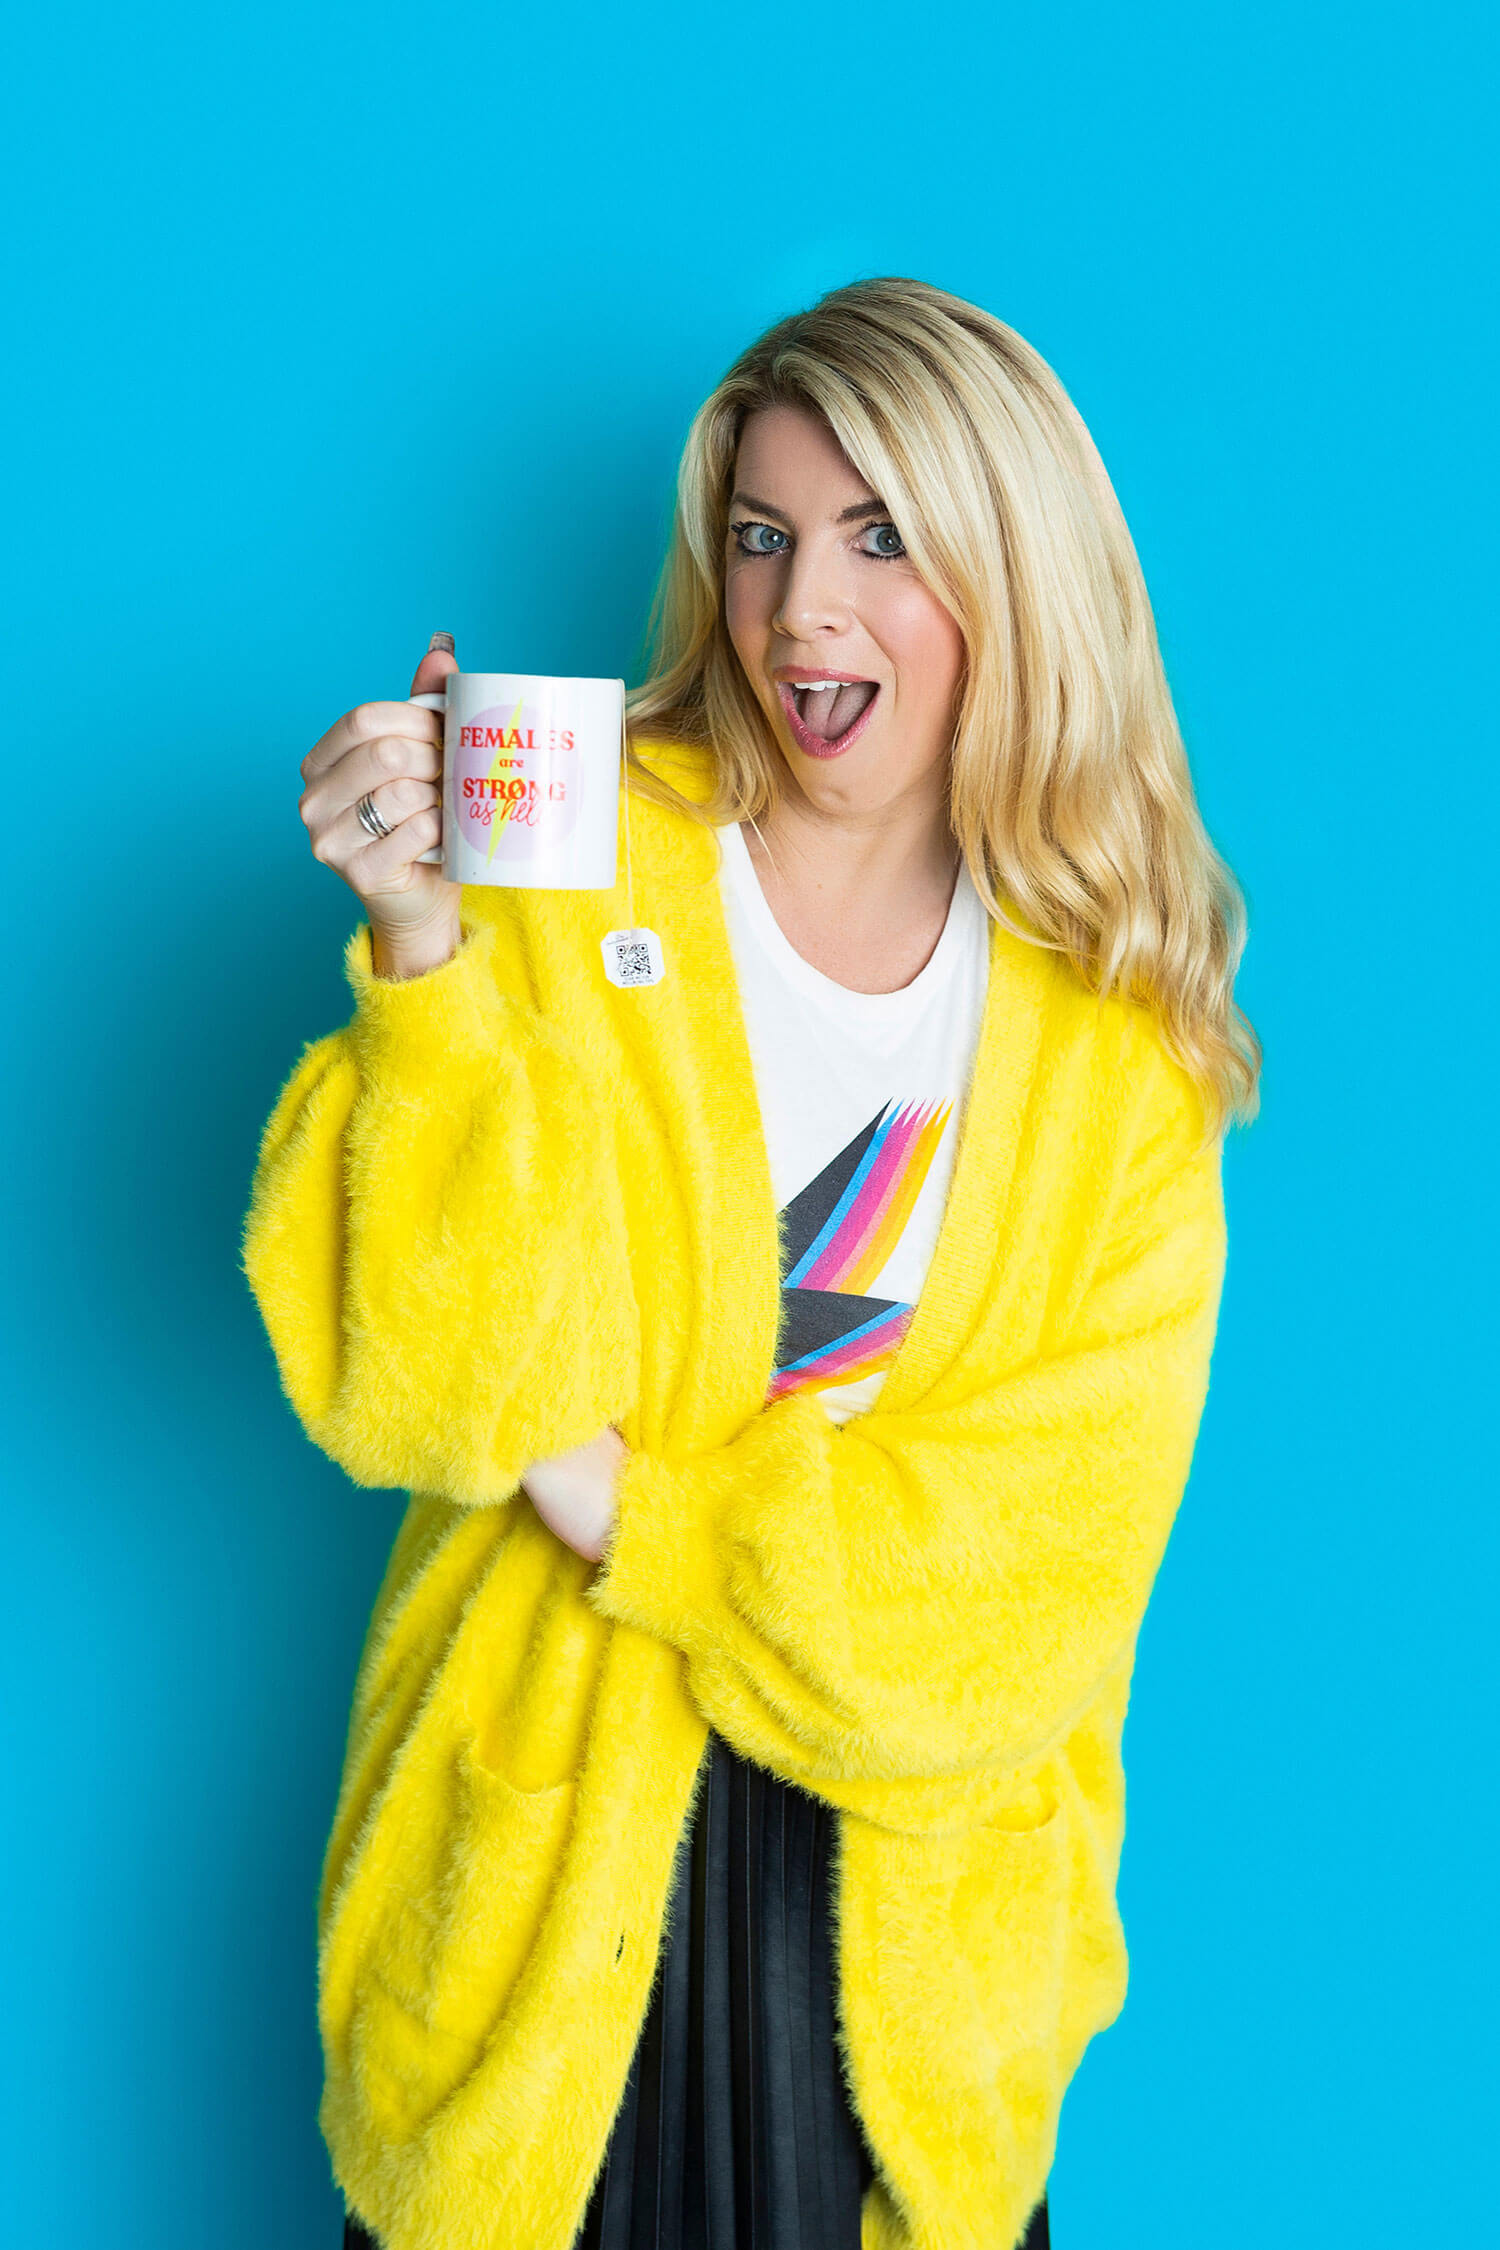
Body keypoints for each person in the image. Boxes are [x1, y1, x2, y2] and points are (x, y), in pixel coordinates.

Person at [244, 277, 1259, 2250]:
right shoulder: (567, 847)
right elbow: (428, 1389)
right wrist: (428, 963)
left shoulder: (1117, 1053)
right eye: (766, 535)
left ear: (1011, 573)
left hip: (906, 1950)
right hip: (535, 1905)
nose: (804, 611)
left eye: (883, 538)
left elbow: (1016, 1595)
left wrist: (631, 1506)